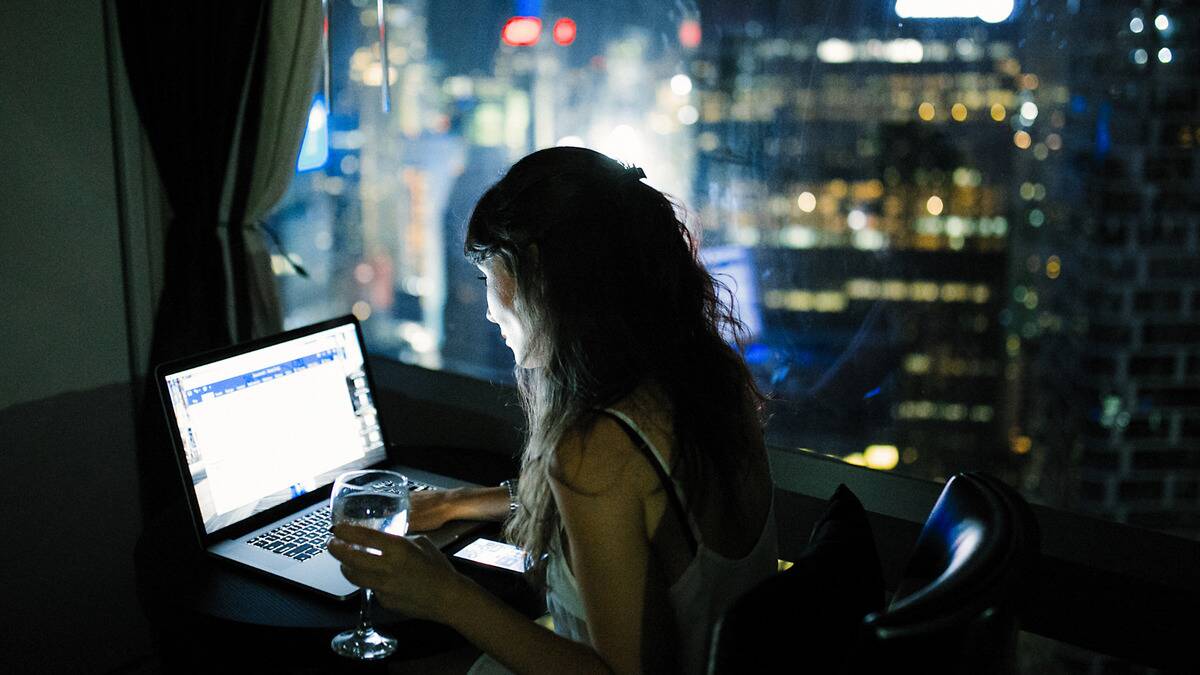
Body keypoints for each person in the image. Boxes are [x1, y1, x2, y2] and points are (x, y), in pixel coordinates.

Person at [329, 146, 777, 674]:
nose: (492, 309)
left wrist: (445, 596)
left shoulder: (596, 445)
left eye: (488, 275)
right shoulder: (708, 378)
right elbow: (640, 521)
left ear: (541, 272)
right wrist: (459, 503)